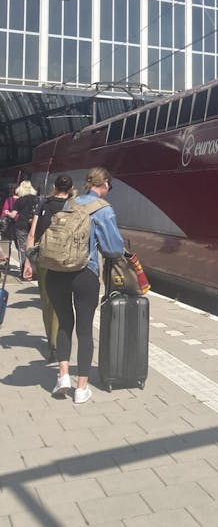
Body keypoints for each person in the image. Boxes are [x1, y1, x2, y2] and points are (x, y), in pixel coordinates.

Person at [46, 167, 124, 405]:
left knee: (64, 324)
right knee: (84, 330)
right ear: (105, 184)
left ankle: (62, 376)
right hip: (84, 274)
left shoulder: (69, 203)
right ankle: (81, 389)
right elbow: (113, 249)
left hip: (56, 272)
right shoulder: (103, 209)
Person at [23, 175, 75, 363]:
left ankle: (53, 344)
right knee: (64, 301)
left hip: (44, 259)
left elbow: (32, 234)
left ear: (54, 186)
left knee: (47, 303)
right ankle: (62, 342)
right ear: (71, 188)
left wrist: (28, 262)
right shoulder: (74, 206)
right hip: (66, 261)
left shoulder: (43, 203)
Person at [8, 180, 39, 279]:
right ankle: (33, 271)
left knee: (22, 249)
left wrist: (7, 213)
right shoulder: (37, 199)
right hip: (33, 226)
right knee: (33, 248)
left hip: (21, 226)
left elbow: (13, 215)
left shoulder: (20, 200)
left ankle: (24, 271)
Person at [0, 185, 18, 263]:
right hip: (19, 225)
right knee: (19, 245)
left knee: (6, 242)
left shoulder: (9, 200)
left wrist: (7, 214)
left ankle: (4, 259)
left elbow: (4, 212)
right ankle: (24, 263)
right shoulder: (23, 200)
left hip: (8, 225)